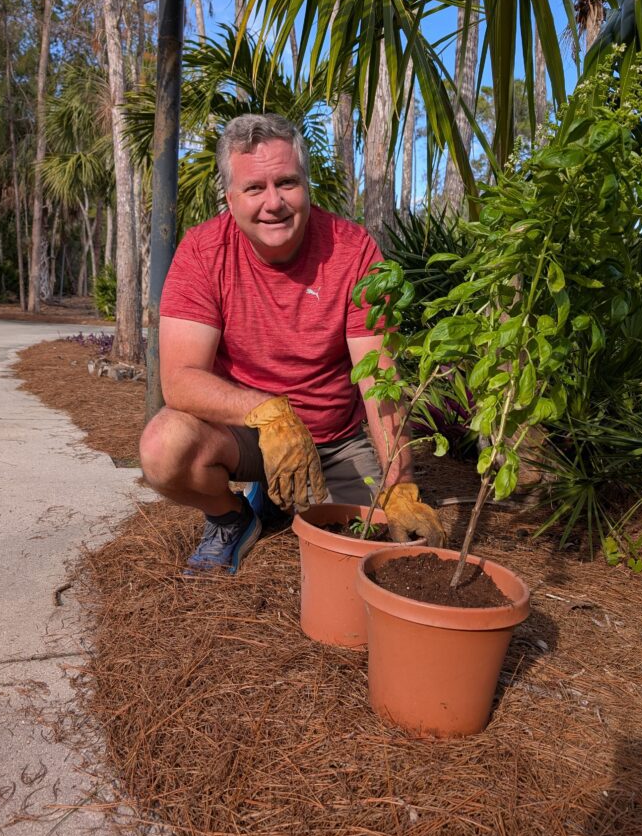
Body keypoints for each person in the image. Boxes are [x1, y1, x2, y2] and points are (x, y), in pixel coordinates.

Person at [139, 113, 445, 573]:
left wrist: (400, 486)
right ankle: (231, 517)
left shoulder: (353, 250)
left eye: (287, 182)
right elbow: (180, 381)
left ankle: (286, 495)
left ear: (307, 185)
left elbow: (379, 378)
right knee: (164, 447)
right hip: (247, 434)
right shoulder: (203, 251)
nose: (274, 203)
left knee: (378, 548)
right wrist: (272, 416)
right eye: (254, 188)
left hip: (336, 440)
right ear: (230, 199)